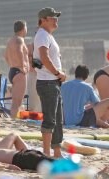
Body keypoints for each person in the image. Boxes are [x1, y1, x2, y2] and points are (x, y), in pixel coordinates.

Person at [33, 7, 66, 157]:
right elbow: (44, 57)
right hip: (48, 82)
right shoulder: (42, 35)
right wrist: (58, 73)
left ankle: (57, 152)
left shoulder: (45, 35)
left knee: (58, 120)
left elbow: (40, 58)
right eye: (53, 17)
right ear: (44, 20)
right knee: (50, 119)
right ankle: (46, 153)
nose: (56, 20)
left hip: (52, 82)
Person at [61, 65, 109, 129]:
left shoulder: (64, 85)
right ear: (86, 76)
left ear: (75, 73)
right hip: (80, 121)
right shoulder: (87, 87)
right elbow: (97, 103)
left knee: (89, 112)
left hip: (67, 121)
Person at [4, 20, 29, 118]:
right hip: (19, 72)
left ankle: (13, 119)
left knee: (16, 101)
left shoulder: (11, 40)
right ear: (23, 28)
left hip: (13, 70)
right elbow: (19, 52)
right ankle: (13, 119)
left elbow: (5, 56)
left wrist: (13, 65)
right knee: (17, 102)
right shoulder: (19, 39)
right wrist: (22, 67)